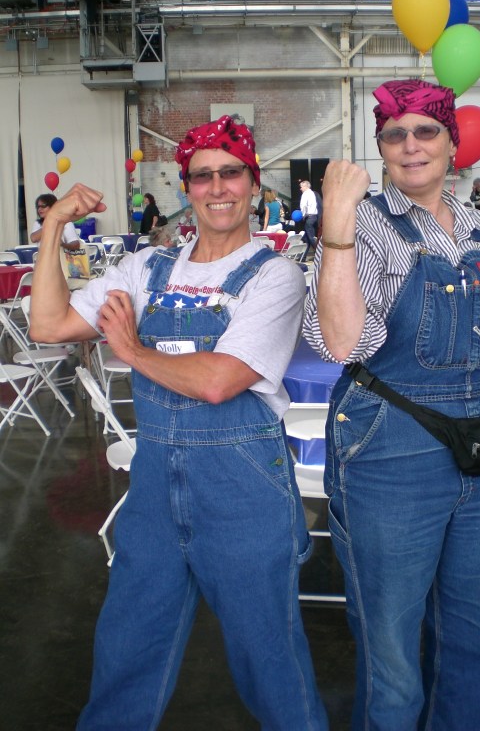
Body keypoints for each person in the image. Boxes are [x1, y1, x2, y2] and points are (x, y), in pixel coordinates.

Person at [28, 115, 328, 731]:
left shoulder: (275, 274)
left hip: (243, 493)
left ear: (254, 183)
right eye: (203, 176)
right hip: (155, 493)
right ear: (186, 188)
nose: (218, 188)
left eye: (231, 174)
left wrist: (133, 352)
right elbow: (48, 326)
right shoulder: (146, 268)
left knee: (270, 663)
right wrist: (54, 225)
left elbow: (220, 380)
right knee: (126, 654)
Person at [303, 79, 480, 731]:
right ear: (381, 147)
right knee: (392, 660)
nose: (410, 146)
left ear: (452, 143)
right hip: (389, 453)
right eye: (395, 134)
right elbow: (340, 342)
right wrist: (334, 226)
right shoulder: (361, 224)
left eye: (426, 132)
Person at [299, 180, 319, 254]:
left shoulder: (305, 194)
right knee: (307, 238)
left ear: (305, 186)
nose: (300, 189)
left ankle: (319, 252)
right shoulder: (312, 193)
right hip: (314, 217)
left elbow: (303, 205)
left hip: (309, 217)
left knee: (310, 237)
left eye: (301, 187)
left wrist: (303, 215)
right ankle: (303, 256)